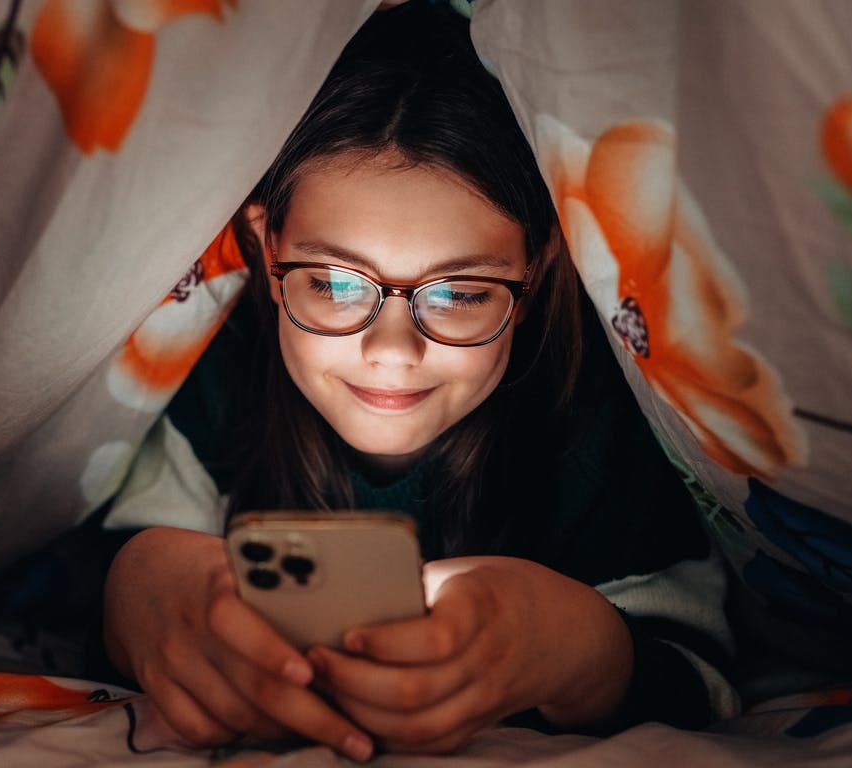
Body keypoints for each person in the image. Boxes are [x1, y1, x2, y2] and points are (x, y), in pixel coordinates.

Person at [98, 2, 733, 760]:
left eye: (461, 293)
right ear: (265, 250)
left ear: (536, 273)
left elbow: (706, 676)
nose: (391, 351)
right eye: (332, 283)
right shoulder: (217, 373)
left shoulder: (596, 427)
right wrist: (147, 592)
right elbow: (113, 566)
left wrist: (567, 641)